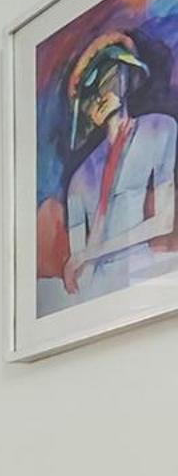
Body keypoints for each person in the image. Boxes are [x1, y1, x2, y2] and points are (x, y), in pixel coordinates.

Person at [64, 33, 178, 298]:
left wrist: (90, 253)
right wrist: (86, 257)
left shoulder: (159, 129)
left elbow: (163, 222)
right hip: (98, 294)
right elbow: (79, 270)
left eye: (109, 77)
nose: (101, 94)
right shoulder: (79, 179)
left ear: (128, 73)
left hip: (143, 278)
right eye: (91, 92)